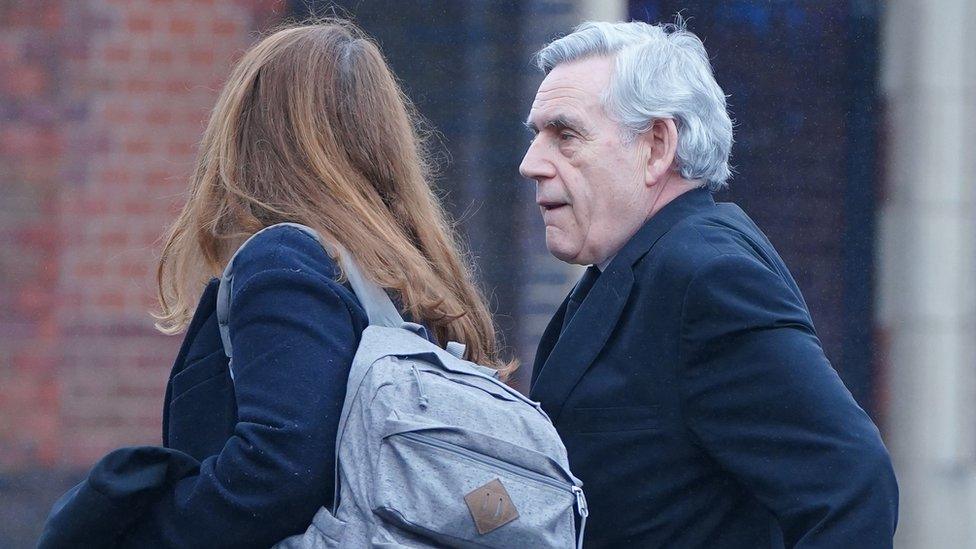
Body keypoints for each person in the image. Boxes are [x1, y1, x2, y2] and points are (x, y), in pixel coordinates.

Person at [39, 20, 510, 548]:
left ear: (246, 131)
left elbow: (279, 468)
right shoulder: (423, 283)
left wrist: (137, 530)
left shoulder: (286, 261)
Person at [520, 20, 898, 547]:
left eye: (565, 135)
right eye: (535, 135)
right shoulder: (636, 266)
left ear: (656, 145)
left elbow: (854, 486)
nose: (531, 163)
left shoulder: (708, 277)